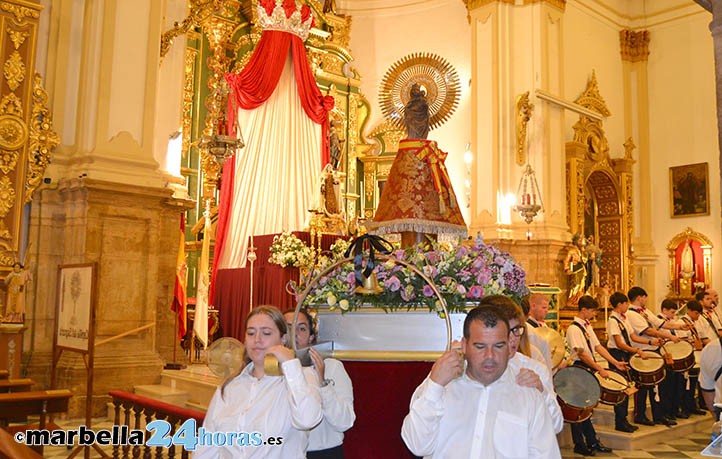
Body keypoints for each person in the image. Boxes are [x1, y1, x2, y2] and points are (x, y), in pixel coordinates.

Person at [401, 304, 561, 458]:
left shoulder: (528, 394)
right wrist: (435, 385)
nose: (489, 356)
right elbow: (417, 445)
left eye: (498, 346)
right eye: (480, 347)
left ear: (509, 346)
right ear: (464, 345)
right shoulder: (442, 385)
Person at [194, 305, 322, 459]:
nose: (257, 339)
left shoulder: (303, 377)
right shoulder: (230, 387)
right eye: (251, 333)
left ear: (283, 339)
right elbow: (207, 445)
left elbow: (307, 420)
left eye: (266, 333)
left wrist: (290, 364)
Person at [283, 309, 355, 459]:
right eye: (287, 328)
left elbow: (345, 422)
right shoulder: (268, 371)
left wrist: (322, 383)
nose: (293, 333)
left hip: (325, 452)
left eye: (301, 328)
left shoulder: (332, 367)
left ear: (311, 337)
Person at [487, 295, 563, 434]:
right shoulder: (465, 367)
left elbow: (556, 425)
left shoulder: (535, 368)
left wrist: (542, 392)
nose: (513, 339)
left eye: (516, 330)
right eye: (505, 331)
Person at [565, 295, 624, 456]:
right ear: (583, 310)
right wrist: (600, 368)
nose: (594, 315)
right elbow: (582, 354)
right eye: (592, 311)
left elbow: (598, 347)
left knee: (588, 407)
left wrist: (615, 362)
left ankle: (592, 440)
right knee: (578, 408)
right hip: (579, 369)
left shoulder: (587, 326)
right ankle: (579, 443)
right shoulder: (574, 329)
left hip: (588, 368)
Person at [626, 286, 685, 427]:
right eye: (645, 297)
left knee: (658, 385)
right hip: (643, 351)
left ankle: (659, 414)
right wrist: (669, 335)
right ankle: (640, 415)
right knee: (643, 386)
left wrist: (679, 327)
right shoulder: (631, 314)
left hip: (654, 349)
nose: (646, 300)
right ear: (639, 297)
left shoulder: (645, 311)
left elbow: (660, 323)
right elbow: (649, 331)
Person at [606, 291, 648, 432]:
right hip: (618, 354)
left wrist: (650, 341)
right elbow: (619, 343)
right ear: (619, 305)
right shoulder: (613, 320)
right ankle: (620, 421)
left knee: (628, 386)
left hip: (626, 353)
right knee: (621, 387)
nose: (627, 306)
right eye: (625, 303)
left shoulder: (623, 319)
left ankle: (624, 420)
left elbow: (633, 337)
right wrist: (635, 351)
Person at [522, 293, 553, 371]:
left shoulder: (543, 327)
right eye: (543, 307)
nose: (546, 311)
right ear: (533, 306)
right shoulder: (529, 330)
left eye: (547, 308)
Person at [564, 234, 587, 306]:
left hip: (581, 270)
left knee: (581, 286)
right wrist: (567, 269)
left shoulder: (582, 251)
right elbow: (566, 260)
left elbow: (585, 260)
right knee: (575, 286)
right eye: (579, 240)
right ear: (576, 241)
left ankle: (580, 301)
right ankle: (573, 300)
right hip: (575, 270)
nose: (581, 242)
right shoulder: (572, 251)